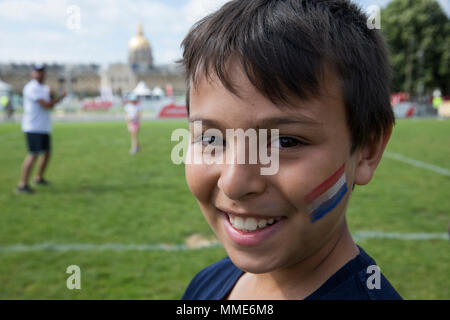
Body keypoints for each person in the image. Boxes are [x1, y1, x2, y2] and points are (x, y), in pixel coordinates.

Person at [180, 0, 402, 300]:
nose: (234, 183)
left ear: (367, 149)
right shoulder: (207, 283)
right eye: (211, 140)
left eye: (285, 142)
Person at [16, 64, 66, 194]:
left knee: (47, 153)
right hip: (33, 127)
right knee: (33, 155)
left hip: (43, 127)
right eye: (37, 72)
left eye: (42, 72)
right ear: (32, 74)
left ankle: (38, 178)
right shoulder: (31, 88)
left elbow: (50, 104)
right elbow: (45, 105)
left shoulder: (44, 88)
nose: (40, 74)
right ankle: (22, 185)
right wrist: (60, 98)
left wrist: (54, 96)